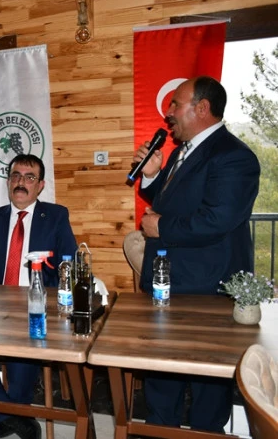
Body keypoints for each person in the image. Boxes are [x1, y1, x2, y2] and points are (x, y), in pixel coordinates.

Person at [135, 76, 260, 432]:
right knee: (162, 378)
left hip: (206, 290)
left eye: (176, 104)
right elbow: (174, 202)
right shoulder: (181, 152)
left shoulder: (234, 157)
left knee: (208, 388)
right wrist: (152, 177)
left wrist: (162, 227)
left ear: (202, 108)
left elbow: (217, 220)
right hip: (168, 286)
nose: (169, 112)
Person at [0, 153, 78, 439]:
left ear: (40, 185)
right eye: (15, 176)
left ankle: (7, 415)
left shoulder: (56, 216)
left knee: (26, 345)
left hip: (37, 306)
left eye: (29, 177)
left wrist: (48, 298)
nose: (21, 182)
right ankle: (14, 416)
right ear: (8, 181)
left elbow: (69, 265)